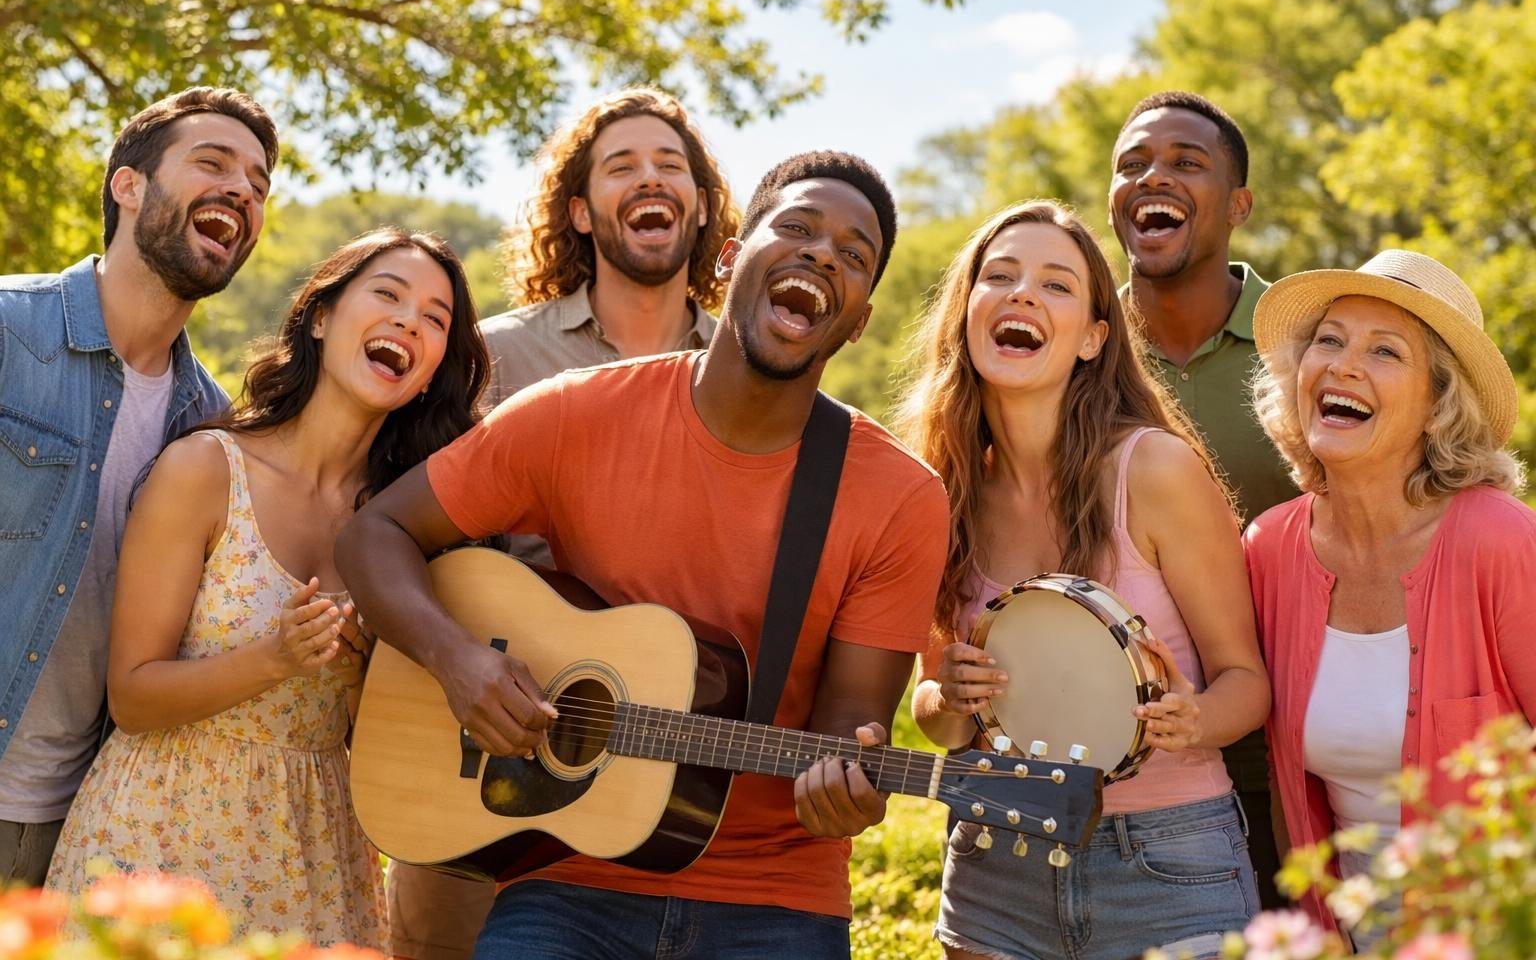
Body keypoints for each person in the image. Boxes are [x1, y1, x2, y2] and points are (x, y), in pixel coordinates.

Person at [336, 151, 949, 960]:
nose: (821, 253)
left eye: (852, 253)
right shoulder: (574, 416)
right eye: (796, 228)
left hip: (776, 893)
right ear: (730, 256)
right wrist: (457, 661)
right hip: (565, 872)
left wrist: (850, 793)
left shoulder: (900, 497)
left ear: (859, 318)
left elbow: (850, 724)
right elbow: (374, 533)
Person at [45, 228, 491, 948]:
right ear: (320, 316)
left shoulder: (406, 530)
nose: (410, 320)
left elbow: (380, 739)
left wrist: (353, 677)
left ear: (436, 369)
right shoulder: (205, 470)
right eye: (387, 294)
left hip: (316, 858)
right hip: (159, 841)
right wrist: (274, 658)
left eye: (436, 319)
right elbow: (132, 695)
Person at [387, 86, 738, 960]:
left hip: (662, 774)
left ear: (699, 209)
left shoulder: (747, 371)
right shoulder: (492, 357)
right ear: (580, 211)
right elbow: (395, 526)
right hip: (476, 754)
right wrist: (458, 662)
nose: (648, 178)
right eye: (621, 166)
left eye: (671, 166)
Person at [902, 200, 1270, 960]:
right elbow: (935, 716)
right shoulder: (936, 492)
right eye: (997, 276)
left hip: (1166, 862)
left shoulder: (1155, 471)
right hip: (993, 859)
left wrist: (1195, 718)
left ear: (1095, 339)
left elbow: (1247, 682)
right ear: (966, 313)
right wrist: (950, 694)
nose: (1021, 293)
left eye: (1057, 284)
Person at [0, 87, 278, 886]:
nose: (241, 192)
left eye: (258, 186)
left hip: (75, 823)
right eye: (213, 163)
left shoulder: (211, 425)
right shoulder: (10, 331)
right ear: (128, 185)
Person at [1245, 248, 1535, 946]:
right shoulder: (1269, 548)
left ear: (1439, 404)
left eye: (1385, 351)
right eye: (1330, 341)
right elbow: (1287, 786)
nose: (1345, 365)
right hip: (1340, 928)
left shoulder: (1498, 538)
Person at [1107, 90, 1291, 905]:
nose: (1155, 176)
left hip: (1299, 756)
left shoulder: (1309, 344)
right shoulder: (1075, 349)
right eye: (1134, 164)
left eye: (1187, 162)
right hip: (1129, 774)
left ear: (1239, 204)